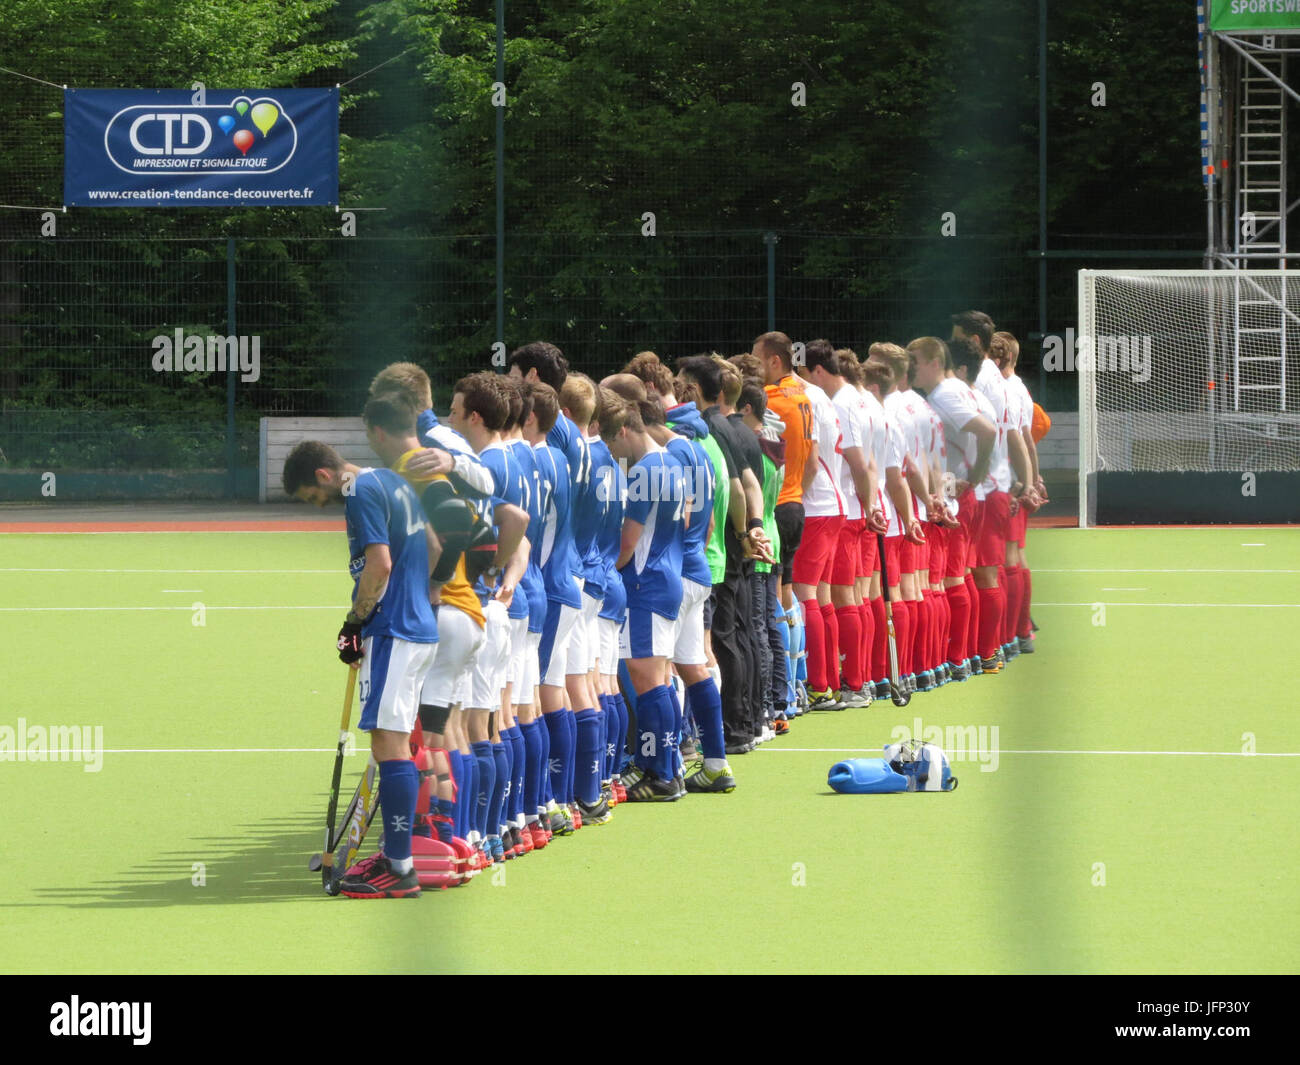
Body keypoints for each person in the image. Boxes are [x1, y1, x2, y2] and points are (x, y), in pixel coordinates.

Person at [284, 440, 439, 899]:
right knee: (395, 741)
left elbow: (380, 564)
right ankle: (395, 857)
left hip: (393, 632)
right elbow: (432, 547)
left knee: (389, 744)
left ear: (323, 476)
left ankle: (400, 867)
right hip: (417, 627)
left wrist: (356, 620)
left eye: (312, 497)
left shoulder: (359, 492)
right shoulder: (392, 480)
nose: (317, 507)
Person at [600, 391, 689, 800]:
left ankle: (663, 774)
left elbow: (627, 544)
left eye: (611, 442)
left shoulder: (644, 472)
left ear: (622, 431)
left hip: (645, 582)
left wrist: (605, 569)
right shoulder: (673, 461)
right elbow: (686, 519)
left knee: (648, 679)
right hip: (667, 576)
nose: (612, 452)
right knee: (660, 678)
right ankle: (668, 767)